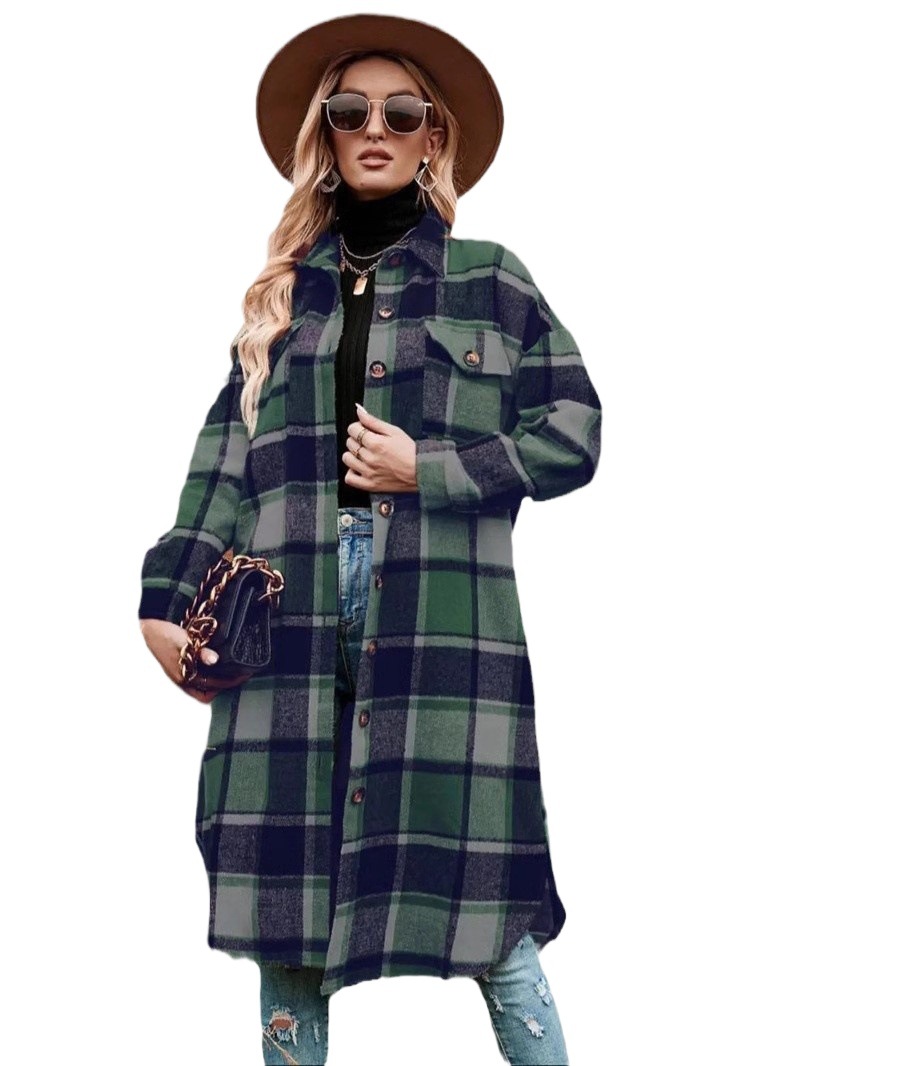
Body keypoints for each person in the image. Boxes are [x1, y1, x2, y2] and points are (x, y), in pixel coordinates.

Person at [138, 14, 601, 1065]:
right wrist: (166, 596)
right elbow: (222, 463)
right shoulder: (280, 301)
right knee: (284, 916)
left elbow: (574, 430)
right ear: (328, 134)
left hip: (441, 621)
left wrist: (426, 469)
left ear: (434, 136)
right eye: (351, 111)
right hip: (283, 619)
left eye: (403, 111)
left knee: (488, 909)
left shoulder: (492, 279)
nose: (376, 128)